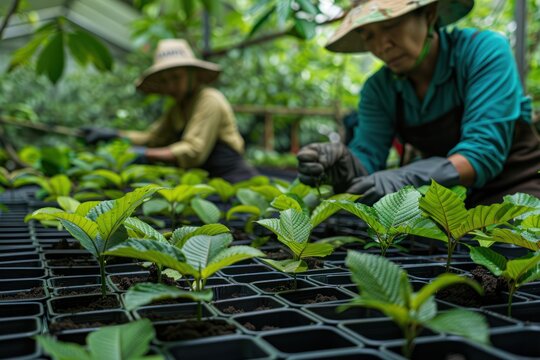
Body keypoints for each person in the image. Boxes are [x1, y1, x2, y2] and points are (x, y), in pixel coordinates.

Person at [297, 0, 540, 206]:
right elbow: (369, 155)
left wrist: (405, 178)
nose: (382, 45)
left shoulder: (482, 52)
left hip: (517, 189)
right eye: (369, 35)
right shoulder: (379, 89)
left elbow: (482, 153)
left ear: (429, 14)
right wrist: (345, 164)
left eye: (389, 25)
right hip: (445, 201)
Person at [82, 39, 258, 183]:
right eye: (164, 80)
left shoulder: (209, 99)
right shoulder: (177, 109)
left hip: (236, 181)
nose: (170, 86)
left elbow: (192, 151)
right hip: (209, 182)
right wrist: (114, 134)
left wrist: (144, 155)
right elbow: (153, 138)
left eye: (176, 77)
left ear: (191, 74)